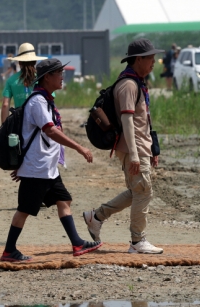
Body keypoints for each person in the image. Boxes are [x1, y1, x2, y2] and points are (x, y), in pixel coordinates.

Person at [0, 58, 101, 262]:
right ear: (47, 77)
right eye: (59, 73)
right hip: (37, 168)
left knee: (64, 200)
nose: (62, 77)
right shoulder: (38, 101)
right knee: (24, 211)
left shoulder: (46, 99)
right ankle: (9, 251)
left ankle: (77, 243)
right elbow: (50, 131)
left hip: (47, 167)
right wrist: (79, 147)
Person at [83, 39, 165, 255]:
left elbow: (144, 120)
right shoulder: (128, 85)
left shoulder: (137, 82)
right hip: (133, 147)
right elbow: (128, 122)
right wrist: (136, 155)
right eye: (151, 58)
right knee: (143, 191)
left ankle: (97, 216)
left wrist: (153, 149)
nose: (154, 63)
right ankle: (137, 241)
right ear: (139, 59)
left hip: (139, 146)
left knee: (137, 190)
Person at [1, 42, 46, 123]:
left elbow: (5, 104)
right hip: (40, 122)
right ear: (35, 61)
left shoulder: (11, 80)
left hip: (20, 122)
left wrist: (4, 129)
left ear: (19, 62)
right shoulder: (43, 78)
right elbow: (50, 100)